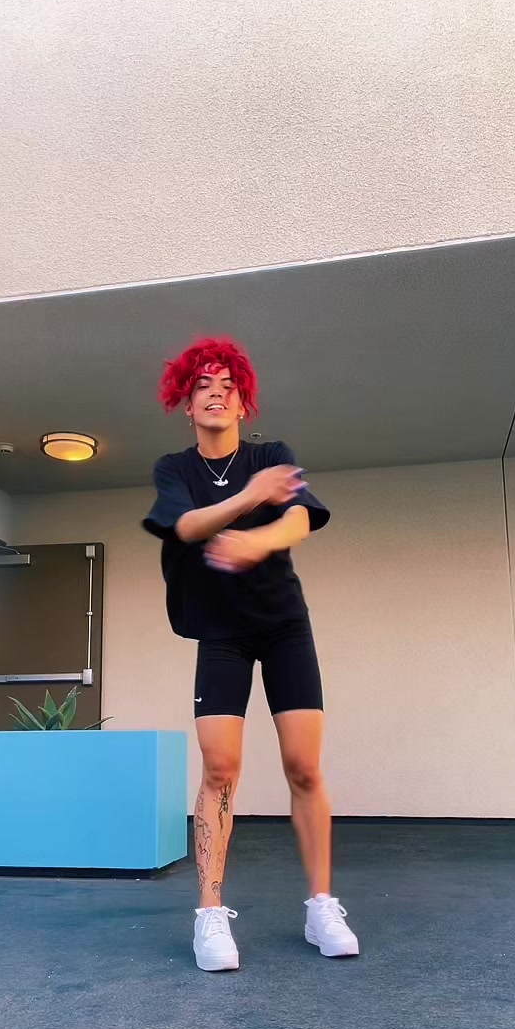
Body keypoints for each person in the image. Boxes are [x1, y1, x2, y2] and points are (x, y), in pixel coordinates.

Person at [143, 337, 359, 971]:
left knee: (304, 767)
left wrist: (259, 540)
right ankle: (210, 914)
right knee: (220, 768)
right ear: (186, 404)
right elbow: (185, 527)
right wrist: (246, 501)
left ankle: (322, 905)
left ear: (243, 402)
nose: (216, 394)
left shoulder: (271, 455)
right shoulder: (174, 469)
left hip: (284, 626)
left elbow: (299, 519)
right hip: (221, 633)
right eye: (202, 386)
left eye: (227, 386)